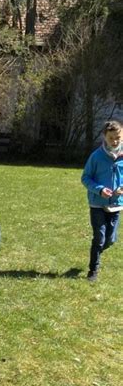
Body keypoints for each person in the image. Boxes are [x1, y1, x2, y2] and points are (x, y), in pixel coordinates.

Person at [81, 119, 123, 282]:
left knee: (110, 240)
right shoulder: (96, 156)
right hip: (97, 203)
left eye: (118, 138)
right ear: (104, 136)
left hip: (116, 204)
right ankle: (93, 270)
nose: (115, 141)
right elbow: (85, 177)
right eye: (111, 138)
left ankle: (98, 250)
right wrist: (99, 189)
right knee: (99, 237)